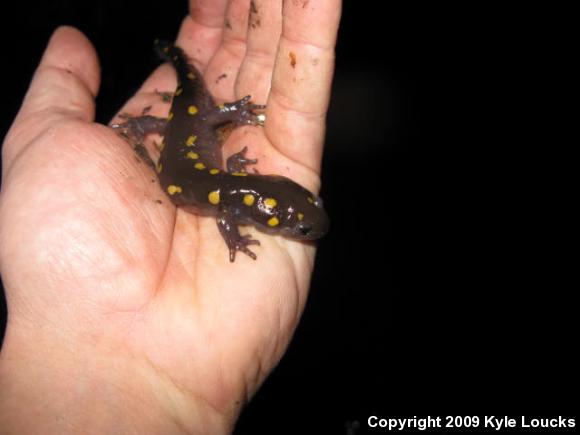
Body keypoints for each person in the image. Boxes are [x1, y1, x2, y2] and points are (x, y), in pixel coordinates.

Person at [0, 0, 341, 433]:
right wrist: (234, 236)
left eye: (301, 222)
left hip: (193, 145)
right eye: (298, 223)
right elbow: (225, 217)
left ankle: (180, 71)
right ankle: (178, 61)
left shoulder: (234, 198)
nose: (301, 229)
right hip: (192, 135)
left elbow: (227, 208)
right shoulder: (233, 203)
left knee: (196, 116)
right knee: (196, 111)